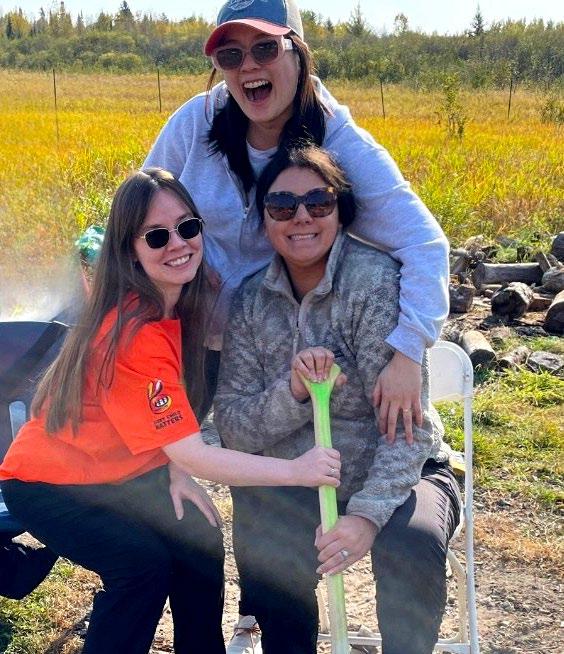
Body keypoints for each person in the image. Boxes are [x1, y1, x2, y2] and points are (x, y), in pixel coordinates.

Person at [0, 168, 341, 654]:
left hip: (116, 470)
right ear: (129, 252)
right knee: (140, 566)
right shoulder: (136, 332)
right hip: (48, 483)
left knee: (198, 539)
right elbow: (195, 452)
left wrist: (174, 466)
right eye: (156, 236)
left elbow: (175, 423)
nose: (178, 244)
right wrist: (297, 471)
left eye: (187, 227)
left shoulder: (177, 304)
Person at [144, 0, 450, 442]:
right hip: (187, 324)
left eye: (265, 48)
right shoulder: (196, 122)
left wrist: (407, 351)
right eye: (231, 55)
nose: (249, 66)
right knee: (154, 448)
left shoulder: (340, 142)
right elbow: (140, 210)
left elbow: (423, 243)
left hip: (275, 344)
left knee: (286, 453)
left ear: (299, 54)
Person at [214, 145, 462, 654]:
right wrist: (293, 392)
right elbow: (233, 427)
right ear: (264, 220)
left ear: (340, 210)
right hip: (298, 476)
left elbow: (408, 429)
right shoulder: (249, 301)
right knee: (266, 543)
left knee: (412, 543)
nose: (301, 216)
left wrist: (367, 516)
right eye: (282, 205)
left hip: (402, 472)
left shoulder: (375, 283)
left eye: (318, 202)